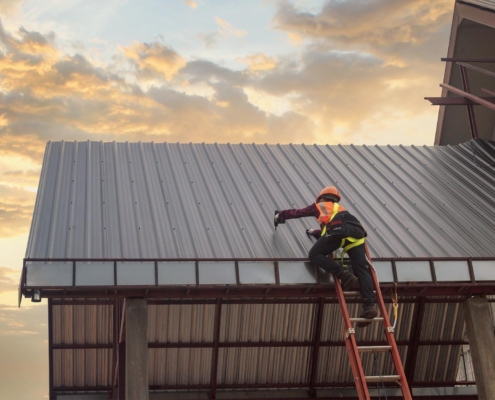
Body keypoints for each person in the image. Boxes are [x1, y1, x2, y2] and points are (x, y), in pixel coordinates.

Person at [274, 186, 378, 327]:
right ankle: (370, 306)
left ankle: (344, 275)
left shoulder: (320, 206)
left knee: (314, 255)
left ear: (321, 198)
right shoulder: (341, 210)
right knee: (362, 270)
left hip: (339, 231)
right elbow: (329, 229)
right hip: (357, 233)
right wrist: (314, 232)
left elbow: (298, 212)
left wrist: (280, 215)